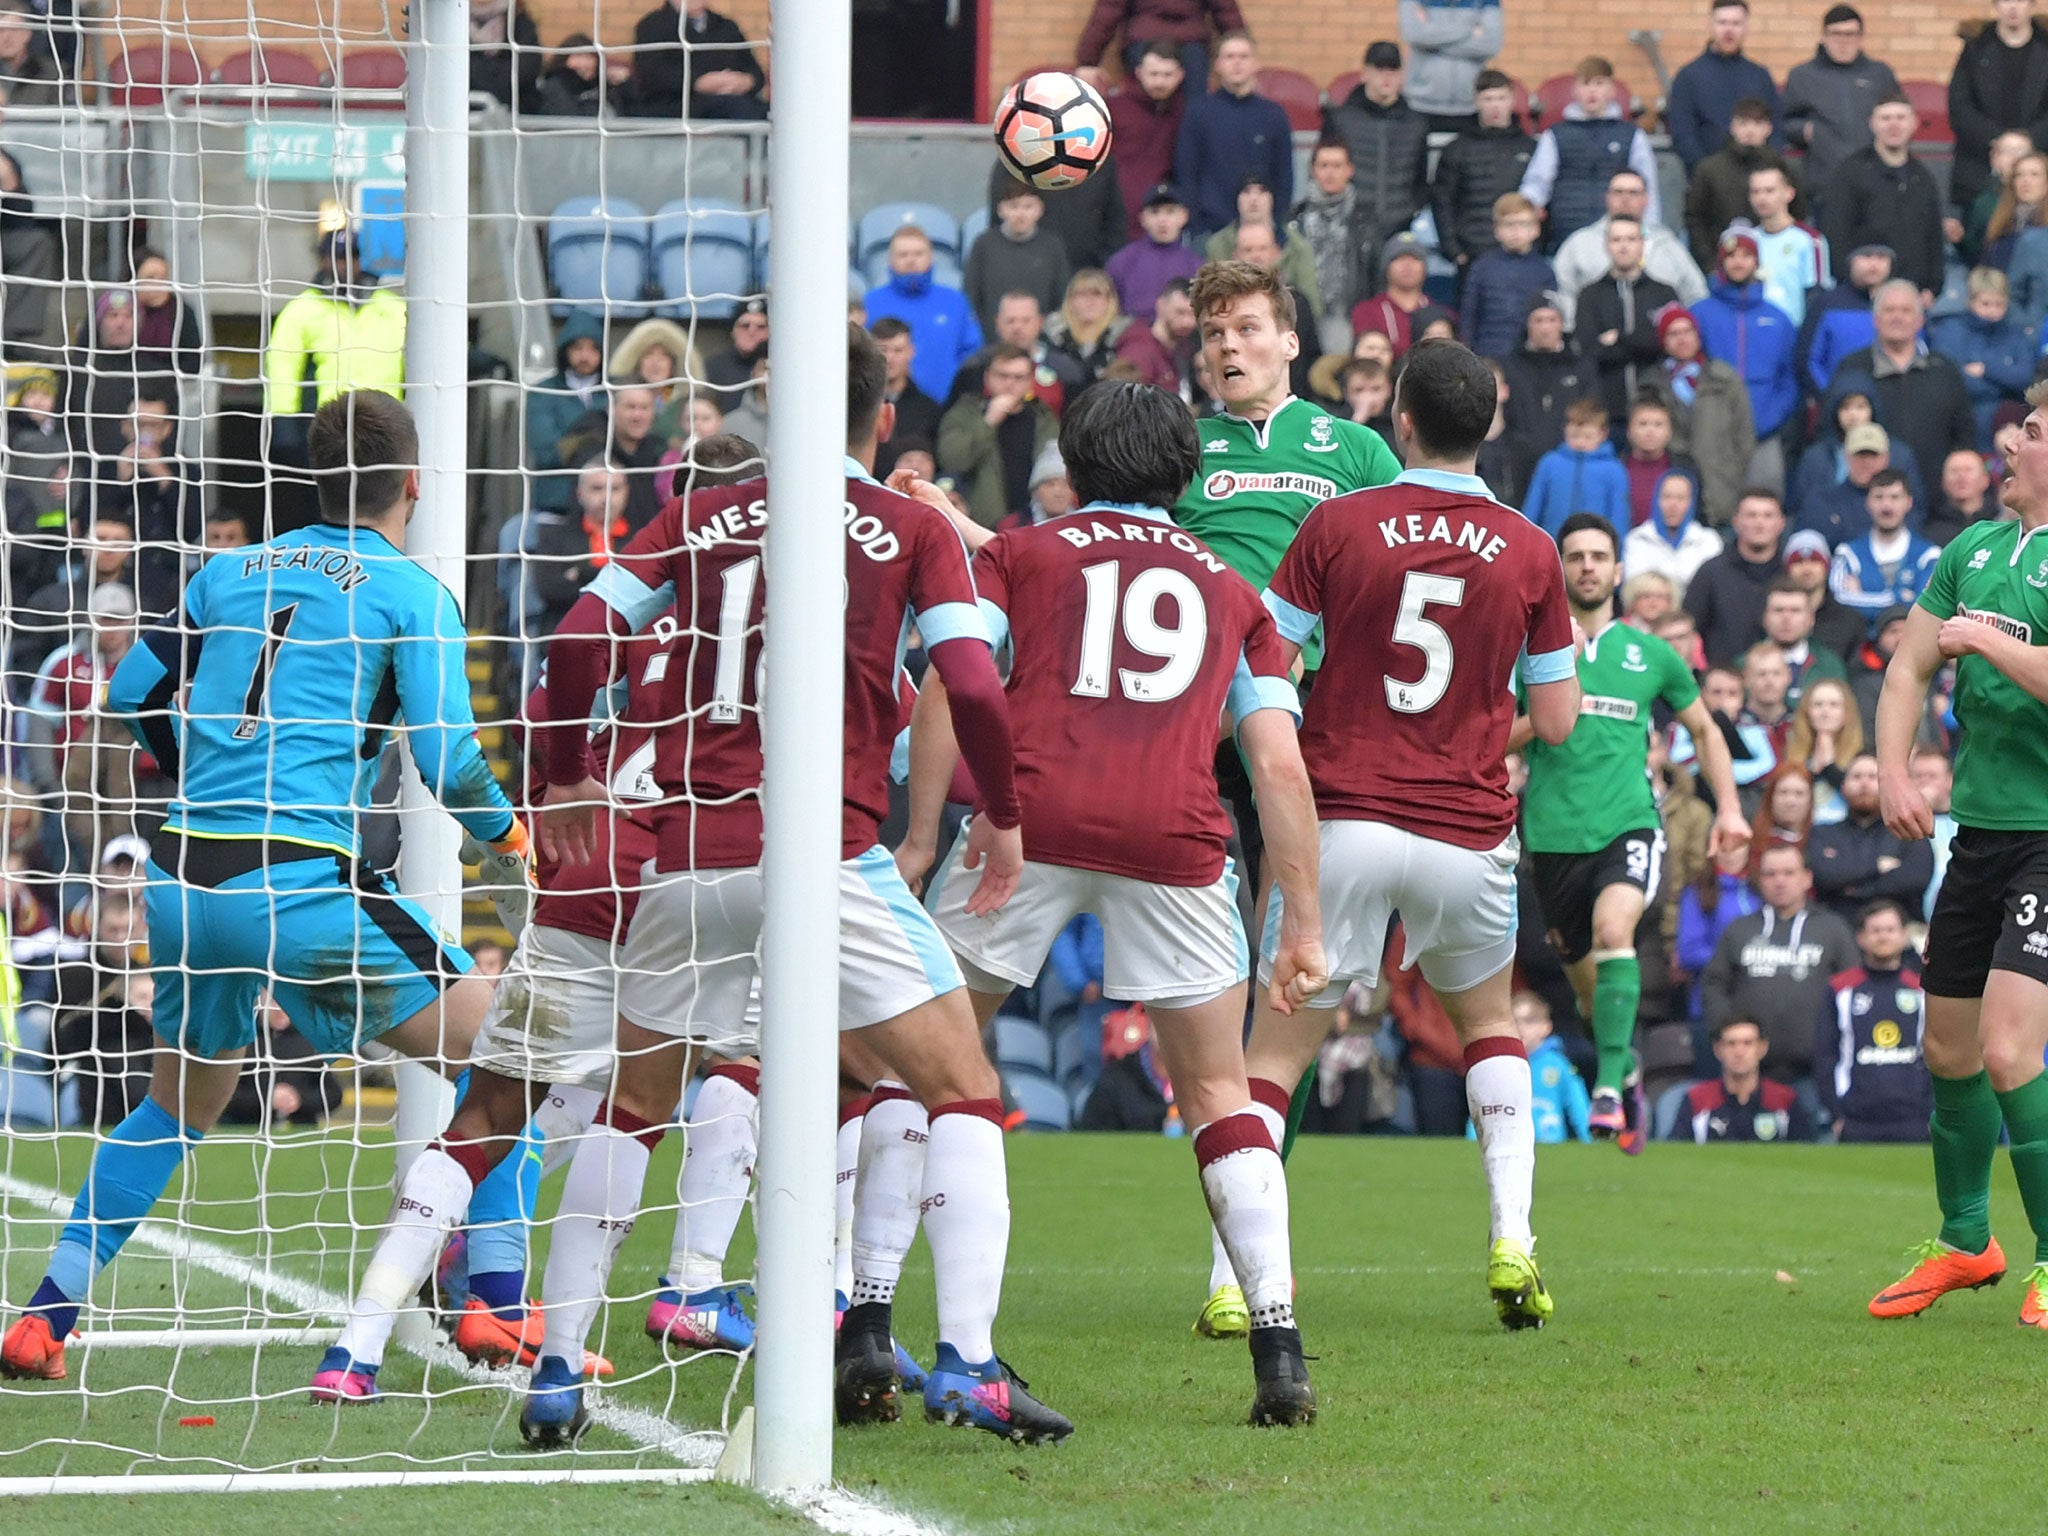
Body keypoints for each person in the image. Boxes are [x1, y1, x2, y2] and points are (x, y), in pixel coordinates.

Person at [515, 324, 1068, 1442]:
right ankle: (966, 1363)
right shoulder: (909, 524)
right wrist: (1001, 819)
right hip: (825, 854)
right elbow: (971, 679)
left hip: (687, 856)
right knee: (963, 1087)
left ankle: (560, 1370)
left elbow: (576, 640)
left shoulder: (702, 510)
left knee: (630, 1111)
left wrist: (561, 777)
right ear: (881, 412)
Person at [0, 393, 526, 1388]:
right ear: (414, 482)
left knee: (173, 1107)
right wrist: (514, 842)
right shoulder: (411, 590)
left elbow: (130, 694)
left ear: (309, 481)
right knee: (510, 1052)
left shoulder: (229, 570)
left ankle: (43, 1318)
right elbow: (452, 765)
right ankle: (497, 1302)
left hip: (183, 874)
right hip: (301, 879)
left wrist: (190, 766)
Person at [905, 380, 1326, 1425]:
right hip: (1173, 841)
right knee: (1219, 1097)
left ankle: (864, 1318)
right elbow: (1275, 763)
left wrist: (919, 837)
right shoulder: (1235, 594)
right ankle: (1278, 1347)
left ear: (1070, 467)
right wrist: (1303, 920)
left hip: (1026, 824)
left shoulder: (1025, 553)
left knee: (912, 1063)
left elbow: (952, 683)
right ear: (1185, 475)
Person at [1245, 338, 1582, 1329]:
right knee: (1487, 1027)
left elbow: (1264, 655)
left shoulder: (1337, 522)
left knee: (1272, 1057)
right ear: (1488, 424)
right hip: (1464, 832)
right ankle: (1512, 1238)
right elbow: (1557, 720)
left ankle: (1237, 1283)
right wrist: (1478, 726)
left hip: (1341, 815)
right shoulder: (1528, 546)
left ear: (1398, 419)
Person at [1871, 376, 2048, 1321]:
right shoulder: (1973, 548)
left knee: (2011, 1049)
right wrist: (1895, 770)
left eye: (2029, 430)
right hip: (1977, 834)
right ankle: (1967, 1242)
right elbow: (1908, 661)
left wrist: (1989, 641)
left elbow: (1981, 649)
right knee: (1948, 1051)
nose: (2009, 444)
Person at [1172, 260, 1400, 922]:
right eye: (1214, 335)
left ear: (1291, 342)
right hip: (1196, 685)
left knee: (1294, 872)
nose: (1228, 347)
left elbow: (1417, 554)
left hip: (1316, 689)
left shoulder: (1355, 448)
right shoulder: (1182, 445)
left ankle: (1279, 977)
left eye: (1247, 328)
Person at [1518, 513, 1750, 1149]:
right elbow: (1493, 739)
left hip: (1629, 825)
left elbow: (1705, 729)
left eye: (1599, 556)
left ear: (1618, 570)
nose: (1588, 566)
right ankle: (1625, 1070)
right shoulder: (1528, 652)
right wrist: (1550, 696)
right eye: (1576, 556)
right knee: (1593, 999)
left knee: (1614, 931)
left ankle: (1606, 1089)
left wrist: (1728, 808)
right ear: (1559, 569)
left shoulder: (1650, 655)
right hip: (1551, 836)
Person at [263, 229, 406, 533]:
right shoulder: (302, 309)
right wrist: (286, 431)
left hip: (387, 429)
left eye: (350, 256)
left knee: (386, 512)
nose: (343, 266)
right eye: (336, 258)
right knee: (330, 517)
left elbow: (423, 354)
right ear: (321, 260)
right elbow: (283, 369)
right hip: (331, 433)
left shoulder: (391, 305)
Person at [1700, 844, 1859, 1089]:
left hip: (1816, 1071)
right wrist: (1728, 1029)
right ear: (1759, 880)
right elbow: (1713, 984)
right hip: (1750, 1073)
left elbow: (1853, 987)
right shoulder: (1739, 930)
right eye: (1770, 874)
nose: (1779, 881)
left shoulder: (1833, 929)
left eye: (1788, 873)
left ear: (1807, 878)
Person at [1519, 58, 1663, 254]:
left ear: (1612, 90)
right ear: (1575, 91)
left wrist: (1650, 231)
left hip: (1617, 238)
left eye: (1599, 83)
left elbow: (1648, 187)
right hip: (1566, 234)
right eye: (1586, 84)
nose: (1592, 91)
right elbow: (1537, 184)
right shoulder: (1555, 135)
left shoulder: (1632, 135)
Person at [1814, 899, 1929, 1141]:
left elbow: (1936, 1053)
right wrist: (1837, 1114)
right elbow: (1825, 1055)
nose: (1883, 937)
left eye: (1890, 930)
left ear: (1904, 936)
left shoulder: (1922, 990)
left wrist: (1930, 1112)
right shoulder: (1839, 989)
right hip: (1856, 1120)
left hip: (1913, 1120)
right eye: (1875, 931)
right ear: (1861, 938)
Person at [1691, 227, 1800, 466]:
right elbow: (1687, 368)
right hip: (1713, 432)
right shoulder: (1700, 314)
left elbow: (1790, 376)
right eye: (1731, 256)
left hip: (1766, 431)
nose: (1738, 262)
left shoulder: (1778, 319)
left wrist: (1774, 416)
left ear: (1756, 261)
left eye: (1745, 255)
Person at [1819, 95, 1946, 296]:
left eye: (1901, 117)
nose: (1893, 124)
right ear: (1872, 124)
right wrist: (1851, 283)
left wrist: (1932, 287)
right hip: (1861, 294)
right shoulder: (1850, 172)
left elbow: (1934, 237)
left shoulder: (1923, 178)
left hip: (1913, 296)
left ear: (1914, 123)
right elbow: (1836, 232)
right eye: (1885, 118)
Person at [1642, 306, 1756, 526]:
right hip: (1672, 489)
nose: (1682, 339)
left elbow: (1744, 436)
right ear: (1663, 341)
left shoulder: (1724, 379)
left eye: (1687, 332)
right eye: (1673, 334)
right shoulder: (1651, 385)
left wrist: (1732, 472)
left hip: (1722, 487)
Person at [1174, 32, 1292, 241]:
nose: (1237, 63)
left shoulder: (1274, 115)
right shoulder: (1198, 113)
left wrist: (1275, 223)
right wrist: (1195, 223)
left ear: (1255, 64)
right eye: (1229, 57)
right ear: (1218, 64)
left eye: (1244, 56)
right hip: (1209, 231)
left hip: (1261, 235)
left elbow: (1283, 176)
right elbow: (1187, 173)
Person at [1321, 41, 1431, 261]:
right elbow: (1322, 173)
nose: (1387, 77)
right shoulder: (1340, 119)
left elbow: (1420, 180)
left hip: (1400, 230)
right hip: (1348, 230)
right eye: (1380, 70)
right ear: (1365, 74)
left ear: (1402, 75)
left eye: (1393, 70)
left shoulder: (1417, 124)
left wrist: (1409, 212)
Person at [1783, 5, 1902, 198]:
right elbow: (1782, 123)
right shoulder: (1802, 76)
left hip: (1877, 182)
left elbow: (1901, 116)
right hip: (1824, 186)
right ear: (1823, 37)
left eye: (1850, 34)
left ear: (1861, 37)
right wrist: (1806, 131)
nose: (1843, 42)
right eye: (1836, 34)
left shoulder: (1880, 74)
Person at [936, 344, 1059, 529]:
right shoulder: (963, 414)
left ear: (1030, 381)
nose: (1010, 383)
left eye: (1018, 377)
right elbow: (952, 461)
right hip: (984, 526)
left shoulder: (1044, 418)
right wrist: (988, 423)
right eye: (1002, 376)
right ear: (988, 377)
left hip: (1036, 524)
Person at [1432, 70, 1538, 278]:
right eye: (1488, 99)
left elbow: (1541, 201)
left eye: (1501, 98)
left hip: (1521, 253)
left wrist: (1537, 245)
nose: (1495, 105)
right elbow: (1442, 202)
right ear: (1477, 101)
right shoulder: (1456, 149)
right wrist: (1455, 252)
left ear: (1512, 100)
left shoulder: (1531, 148)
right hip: (1472, 255)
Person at [1808, 754, 1935, 928]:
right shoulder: (1823, 833)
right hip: (1838, 929)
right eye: (1856, 776)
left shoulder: (1909, 830)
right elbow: (1825, 877)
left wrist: (1856, 889)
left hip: (1902, 930)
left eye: (1872, 777)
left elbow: (1915, 879)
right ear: (1843, 787)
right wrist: (1877, 867)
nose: (1864, 783)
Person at [1574, 218, 1677, 431]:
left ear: (1642, 244)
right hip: (1606, 411)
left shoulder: (1664, 293)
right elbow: (1590, 349)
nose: (1623, 246)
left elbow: (1665, 345)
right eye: (1617, 239)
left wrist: (1619, 338)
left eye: (1631, 239)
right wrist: (1642, 344)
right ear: (1607, 245)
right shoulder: (1590, 295)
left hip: (1656, 410)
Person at [1948, 0, 2048, 215]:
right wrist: (1998, 143)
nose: (2013, 7)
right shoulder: (1975, 47)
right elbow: (1959, 105)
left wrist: (2027, 143)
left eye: (2020, 0)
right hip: (1979, 167)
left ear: (2032, 5)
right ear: (1996, 5)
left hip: (2041, 163)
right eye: (2005, 0)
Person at [864, 226, 983, 403]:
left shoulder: (954, 301)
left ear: (931, 258)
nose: (911, 260)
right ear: (890, 260)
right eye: (903, 255)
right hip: (885, 408)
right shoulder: (870, 303)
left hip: (945, 408)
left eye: (918, 254)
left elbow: (972, 354)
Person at [1684, 98, 1803, 271]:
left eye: (1757, 123)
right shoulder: (1708, 169)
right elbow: (1695, 219)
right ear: (1732, 127)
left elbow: (1797, 213)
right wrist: (1710, 263)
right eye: (1743, 123)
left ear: (1768, 128)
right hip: (1723, 263)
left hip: (1777, 262)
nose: (1750, 130)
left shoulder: (1784, 167)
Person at [1665, 1, 1782, 173]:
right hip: (1707, 181)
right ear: (1710, 26)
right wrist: (1710, 174)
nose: (1729, 30)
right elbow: (1683, 135)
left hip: (1758, 181)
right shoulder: (1688, 77)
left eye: (1736, 23)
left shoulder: (1759, 76)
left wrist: (1766, 169)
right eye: (1722, 22)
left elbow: (1777, 128)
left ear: (1746, 28)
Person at [1291, 140, 1378, 356]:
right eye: (1324, 165)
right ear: (1312, 170)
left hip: (1347, 314)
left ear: (1350, 170)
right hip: (1302, 315)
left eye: (1337, 166)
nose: (1330, 173)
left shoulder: (1366, 219)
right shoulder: (1294, 219)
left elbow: (1374, 271)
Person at [1931, 269, 2035, 448]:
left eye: (1999, 304)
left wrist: (1987, 370)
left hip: (2010, 423)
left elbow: (2025, 379)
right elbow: (1950, 380)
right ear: (1970, 301)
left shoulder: (2015, 335)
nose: (1992, 311)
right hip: (1964, 423)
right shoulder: (1949, 332)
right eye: (1985, 304)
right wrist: (2004, 381)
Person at [1831, 468, 1943, 632]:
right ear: (1867, 502)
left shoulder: (1929, 555)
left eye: (1895, 497)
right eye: (1879, 497)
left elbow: (1927, 606)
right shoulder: (1847, 553)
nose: (1886, 506)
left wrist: (1863, 597)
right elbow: (1840, 600)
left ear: (1909, 502)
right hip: (1861, 649)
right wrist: (1898, 597)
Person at [1687, 488, 1786, 667]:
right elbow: (1690, 630)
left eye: (1768, 515)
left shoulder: (1791, 574)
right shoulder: (1710, 573)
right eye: (1751, 515)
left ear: (1781, 524)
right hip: (1722, 683)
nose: (1759, 523)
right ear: (1736, 522)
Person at [522, 310, 606, 513]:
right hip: (556, 503)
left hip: (607, 505)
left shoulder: (615, 392)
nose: (585, 356)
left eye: (593, 348)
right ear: (565, 350)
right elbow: (546, 452)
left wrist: (574, 443)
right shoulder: (542, 392)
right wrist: (593, 440)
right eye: (578, 348)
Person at [966, 180, 1072, 334]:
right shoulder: (984, 245)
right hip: (992, 339)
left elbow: (1061, 295)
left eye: (1028, 206)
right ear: (1001, 210)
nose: (1021, 214)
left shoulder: (1052, 246)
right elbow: (971, 293)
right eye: (1013, 206)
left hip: (1042, 338)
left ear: (1039, 209)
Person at [629, 0, 765, 119]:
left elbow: (755, 71)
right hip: (676, 107)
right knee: (740, 109)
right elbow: (651, 74)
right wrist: (698, 82)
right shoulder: (651, 26)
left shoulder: (726, 27)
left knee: (772, 113)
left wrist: (747, 81)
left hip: (732, 101)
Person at [1107, 43, 1189, 239]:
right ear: (1139, 73)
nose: (1160, 82)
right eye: (1153, 74)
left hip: (1162, 219)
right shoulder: (1114, 109)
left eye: (1167, 75)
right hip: (1118, 213)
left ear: (1180, 75)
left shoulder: (1186, 113)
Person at [1679, 1019, 1808, 1141]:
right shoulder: (1697, 1100)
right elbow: (1674, 1154)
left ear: (1762, 1048)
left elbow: (1806, 1155)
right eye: (1731, 1044)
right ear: (1718, 1049)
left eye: (1747, 1043)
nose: (1739, 1052)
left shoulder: (1785, 1099)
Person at [1205, 176, 1322, 311]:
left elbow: (1311, 304)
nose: (1254, 198)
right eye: (1246, 191)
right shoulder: (1217, 245)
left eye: (1262, 191)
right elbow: (1210, 300)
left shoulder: (1298, 246)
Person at [1461, 194, 1554, 362]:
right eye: (1509, 224)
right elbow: (1469, 316)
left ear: (1536, 229)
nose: (1516, 231)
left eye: (1523, 224)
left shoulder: (1544, 271)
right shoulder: (1482, 268)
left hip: (1530, 358)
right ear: (1497, 230)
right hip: (1487, 354)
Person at [1522, 396, 1628, 538]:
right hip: (1551, 544)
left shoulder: (1614, 470)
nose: (1580, 442)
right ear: (1565, 430)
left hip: (1594, 548)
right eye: (1574, 436)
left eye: (1588, 436)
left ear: (1603, 434)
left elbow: (1619, 516)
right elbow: (1533, 507)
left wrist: (1616, 553)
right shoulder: (1549, 463)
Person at [1500, 290, 1589, 453]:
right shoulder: (1510, 367)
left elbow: (1589, 414)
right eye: (1538, 320)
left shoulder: (1580, 367)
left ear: (1561, 324)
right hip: (1518, 457)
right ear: (1528, 324)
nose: (1545, 328)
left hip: (1567, 457)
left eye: (1552, 320)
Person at [1799, 243, 1892, 395]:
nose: (1874, 264)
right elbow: (1808, 360)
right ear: (1851, 261)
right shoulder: (1826, 304)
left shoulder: (1903, 304)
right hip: (1840, 406)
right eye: (1866, 256)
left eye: (1881, 257)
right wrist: (1832, 399)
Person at [1074, 0, 1242, 83]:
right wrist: (1243, 51)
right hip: (1191, 46)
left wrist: (1089, 60)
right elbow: (1226, 11)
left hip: (1142, 42)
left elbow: (1108, 12)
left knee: (1140, 109)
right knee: (1193, 112)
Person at [1746, 164, 1831, 328]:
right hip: (1753, 332)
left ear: (1788, 194)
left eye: (1769, 191)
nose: (1761, 198)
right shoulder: (1748, 241)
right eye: (1756, 192)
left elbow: (1817, 295)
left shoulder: (1810, 240)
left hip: (1793, 331)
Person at [1106, 183, 1205, 322]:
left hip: (1183, 339)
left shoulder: (1197, 267)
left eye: (1170, 211)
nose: (1162, 220)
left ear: (1184, 216)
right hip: (1135, 338)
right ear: (1143, 219)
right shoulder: (1122, 262)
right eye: (1155, 212)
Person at [1624, 468, 1721, 599]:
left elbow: (1713, 587)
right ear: (1656, 499)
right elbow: (1636, 586)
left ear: (1691, 502)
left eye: (1681, 498)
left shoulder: (1708, 540)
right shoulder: (1637, 539)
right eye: (1667, 497)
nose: (1673, 505)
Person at [1510, 992, 1592, 1143]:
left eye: (1529, 1021)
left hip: (1550, 1145)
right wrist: (1474, 1140)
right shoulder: (1504, 1065)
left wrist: (1589, 1139)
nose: (1520, 1027)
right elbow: (1486, 1106)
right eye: (1514, 1021)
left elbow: (1578, 1104)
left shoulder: (1557, 1064)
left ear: (1546, 1027)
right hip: (1512, 1146)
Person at [1762, 576, 1851, 706]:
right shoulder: (1745, 664)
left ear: (1811, 618)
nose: (1786, 618)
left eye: (1795, 611)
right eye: (1778, 610)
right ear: (1765, 617)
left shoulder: (1830, 666)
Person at [1351, 231, 1434, 360]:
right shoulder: (1366, 312)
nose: (1408, 265)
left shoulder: (1440, 314)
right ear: (1386, 267)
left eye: (1415, 258)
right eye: (1399, 258)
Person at [1114, 275, 1197, 395]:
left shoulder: (1188, 349)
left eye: (1193, 314)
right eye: (1180, 312)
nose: (1188, 322)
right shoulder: (1139, 351)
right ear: (1161, 305)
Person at [534, 31, 637, 116]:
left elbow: (631, 112)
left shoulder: (603, 86)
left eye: (589, 57)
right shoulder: (556, 85)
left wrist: (624, 83)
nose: (584, 64)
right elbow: (572, 119)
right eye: (578, 56)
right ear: (564, 59)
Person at [1921, 447, 2006, 547]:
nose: (1961, 476)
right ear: (1943, 482)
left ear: (1985, 480)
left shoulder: (2001, 525)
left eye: (1968, 470)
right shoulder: (1929, 536)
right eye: (1954, 471)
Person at [468, 1, 540, 112]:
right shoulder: (451, 23)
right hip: (465, 112)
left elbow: (525, 70)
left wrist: (476, 71)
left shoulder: (520, 22)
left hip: (515, 113)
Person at [703, 296, 768, 396]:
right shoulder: (713, 368)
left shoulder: (779, 367)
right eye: (745, 326)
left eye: (761, 327)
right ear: (733, 331)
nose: (752, 332)